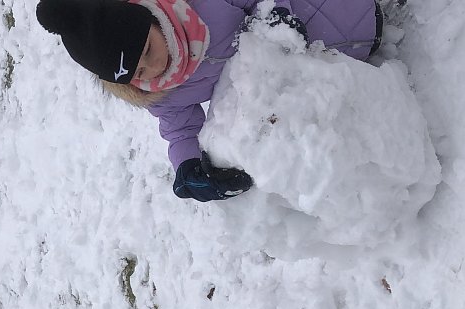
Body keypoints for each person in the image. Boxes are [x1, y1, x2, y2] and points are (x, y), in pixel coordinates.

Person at [35, 0, 383, 202]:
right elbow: (178, 127)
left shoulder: (200, 5)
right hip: (347, 65)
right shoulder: (159, 91)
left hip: (344, 10)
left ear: (151, 20)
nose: (154, 68)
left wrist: (275, 14)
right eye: (138, 72)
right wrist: (187, 167)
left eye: (149, 51)